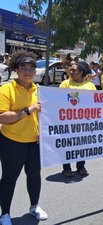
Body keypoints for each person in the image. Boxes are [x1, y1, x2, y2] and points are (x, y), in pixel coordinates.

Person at [0, 51, 48, 225]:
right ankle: (5, 214)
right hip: (11, 142)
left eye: (32, 68)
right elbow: (2, 117)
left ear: (36, 71)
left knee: (34, 175)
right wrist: (28, 110)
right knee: (9, 178)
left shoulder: (40, 90)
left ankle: (34, 206)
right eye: (23, 67)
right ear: (16, 69)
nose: (28, 71)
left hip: (34, 143)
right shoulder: (7, 89)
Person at [59, 61, 96, 177]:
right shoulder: (65, 84)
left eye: (74, 70)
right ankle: (66, 168)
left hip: (84, 122)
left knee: (82, 145)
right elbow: (57, 100)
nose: (70, 71)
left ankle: (81, 166)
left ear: (81, 72)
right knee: (67, 145)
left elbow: (96, 102)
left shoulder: (90, 85)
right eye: (70, 69)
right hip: (68, 121)